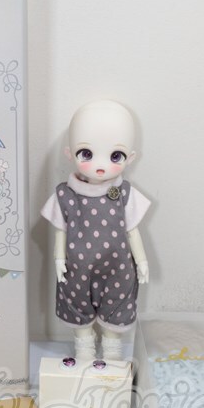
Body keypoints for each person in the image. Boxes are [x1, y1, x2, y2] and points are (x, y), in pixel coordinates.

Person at [41, 100, 151, 360]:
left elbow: (132, 231)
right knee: (77, 305)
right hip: (76, 267)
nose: (100, 166)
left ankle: (112, 353)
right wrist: (59, 259)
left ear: (130, 158)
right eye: (87, 154)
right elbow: (60, 231)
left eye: (115, 156)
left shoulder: (124, 194)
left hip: (118, 267)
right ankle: (84, 350)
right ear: (70, 154)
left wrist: (142, 261)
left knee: (117, 304)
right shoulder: (66, 195)